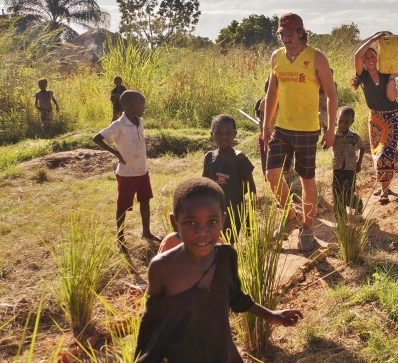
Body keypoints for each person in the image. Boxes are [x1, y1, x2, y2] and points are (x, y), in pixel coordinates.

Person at [134, 178, 302, 362]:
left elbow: (236, 297)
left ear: (223, 220)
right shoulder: (163, 267)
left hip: (222, 354)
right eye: (191, 223)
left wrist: (270, 316)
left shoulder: (226, 256)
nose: (202, 231)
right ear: (175, 222)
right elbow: (150, 320)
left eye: (212, 221)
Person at [261, 13, 337, 252]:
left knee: (306, 179)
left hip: (307, 130)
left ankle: (307, 227)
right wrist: (266, 125)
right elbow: (272, 93)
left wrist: (331, 129)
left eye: (289, 34)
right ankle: (291, 218)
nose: (285, 38)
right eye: (281, 34)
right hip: (282, 127)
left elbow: (332, 95)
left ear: (301, 32)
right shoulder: (277, 58)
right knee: (272, 176)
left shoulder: (317, 58)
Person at [93, 90, 159, 248]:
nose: (144, 107)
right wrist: (116, 152)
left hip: (142, 170)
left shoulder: (139, 121)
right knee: (122, 206)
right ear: (129, 106)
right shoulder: (119, 125)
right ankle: (120, 236)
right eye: (141, 104)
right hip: (127, 173)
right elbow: (97, 138)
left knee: (145, 201)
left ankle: (146, 232)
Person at [353, 31, 398, 205]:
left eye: (373, 55)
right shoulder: (363, 76)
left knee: (386, 153)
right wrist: (374, 39)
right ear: (364, 62)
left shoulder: (385, 73)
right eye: (367, 57)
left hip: (392, 118)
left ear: (378, 58)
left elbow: (391, 98)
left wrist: (391, 79)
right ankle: (385, 185)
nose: (370, 59)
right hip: (375, 118)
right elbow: (357, 55)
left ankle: (383, 191)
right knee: (377, 153)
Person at [202, 114, 256, 239]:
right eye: (219, 133)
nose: (224, 137)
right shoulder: (209, 157)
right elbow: (202, 185)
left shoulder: (240, 158)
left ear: (235, 134)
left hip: (234, 212)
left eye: (228, 133)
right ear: (212, 135)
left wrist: (250, 217)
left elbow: (252, 190)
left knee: (227, 244)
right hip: (212, 211)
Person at [331, 106, 367, 215]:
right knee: (337, 194)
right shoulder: (333, 136)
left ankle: (358, 204)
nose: (342, 124)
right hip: (337, 170)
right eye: (340, 121)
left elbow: (362, 147)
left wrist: (359, 163)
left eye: (346, 122)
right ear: (336, 120)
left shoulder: (354, 137)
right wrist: (325, 142)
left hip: (350, 170)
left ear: (352, 122)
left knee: (347, 193)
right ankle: (341, 218)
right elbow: (325, 144)